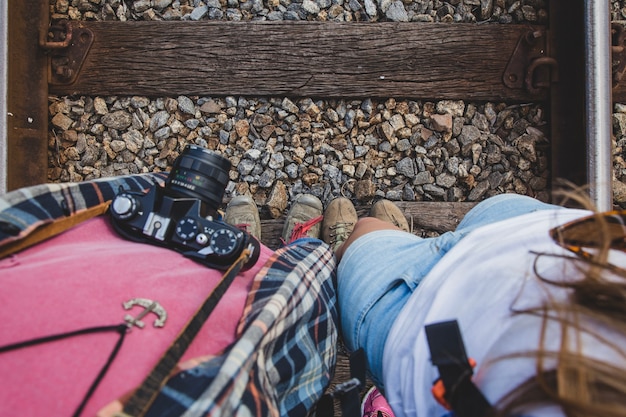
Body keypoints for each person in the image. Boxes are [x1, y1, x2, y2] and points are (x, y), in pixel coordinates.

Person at [0, 172, 338, 417]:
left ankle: (216, 238)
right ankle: (299, 249)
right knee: (302, 285)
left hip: (49, 264)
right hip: (229, 357)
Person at [319, 193, 626, 417]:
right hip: (530, 231)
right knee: (374, 238)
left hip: (419, 325)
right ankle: (395, 243)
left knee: (365, 230)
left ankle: (337, 257)